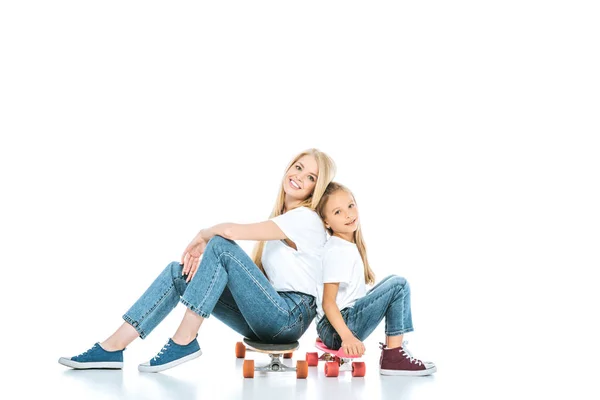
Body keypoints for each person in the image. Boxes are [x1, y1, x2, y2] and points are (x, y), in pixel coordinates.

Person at [59, 148, 336, 373]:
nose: (300, 176)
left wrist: (204, 235)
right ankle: (112, 348)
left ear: (316, 188)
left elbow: (229, 233)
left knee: (221, 246)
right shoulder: (283, 220)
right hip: (269, 316)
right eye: (298, 167)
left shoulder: (306, 219)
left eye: (311, 177)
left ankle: (184, 341)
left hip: (289, 316)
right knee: (179, 275)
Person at [315, 182, 436, 376]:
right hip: (337, 329)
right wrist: (347, 338)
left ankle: (394, 351)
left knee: (393, 280)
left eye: (350, 205)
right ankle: (393, 356)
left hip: (334, 327)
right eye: (338, 212)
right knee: (399, 285)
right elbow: (328, 303)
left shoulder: (343, 245)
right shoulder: (337, 250)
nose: (348, 214)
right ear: (326, 222)